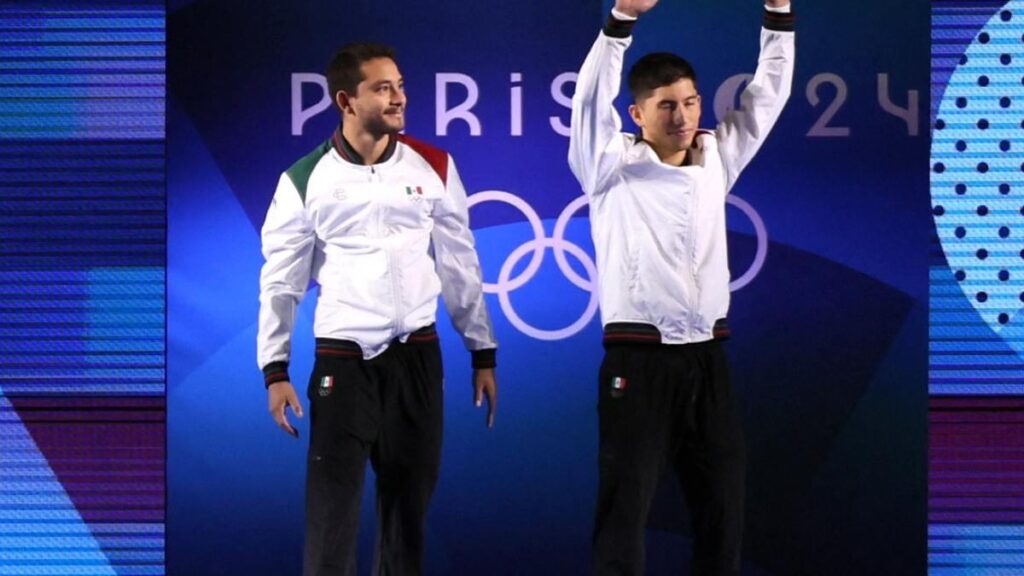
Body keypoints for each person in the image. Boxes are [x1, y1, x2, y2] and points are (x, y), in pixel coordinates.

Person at [568, 1, 794, 574]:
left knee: (722, 513)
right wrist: (620, 20)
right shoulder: (609, 163)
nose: (683, 115)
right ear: (637, 114)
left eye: (690, 101)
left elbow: (768, 96)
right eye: (666, 105)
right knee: (624, 515)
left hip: (708, 363)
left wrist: (779, 12)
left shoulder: (717, 156)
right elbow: (590, 102)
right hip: (638, 364)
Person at [257, 42, 498, 576]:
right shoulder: (303, 181)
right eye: (383, 88)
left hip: (417, 358)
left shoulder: (434, 164)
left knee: (408, 514)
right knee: (332, 514)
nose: (399, 98)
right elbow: (280, 283)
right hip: (344, 363)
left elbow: (461, 264)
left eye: (401, 86)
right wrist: (275, 370)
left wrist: (482, 350)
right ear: (347, 100)